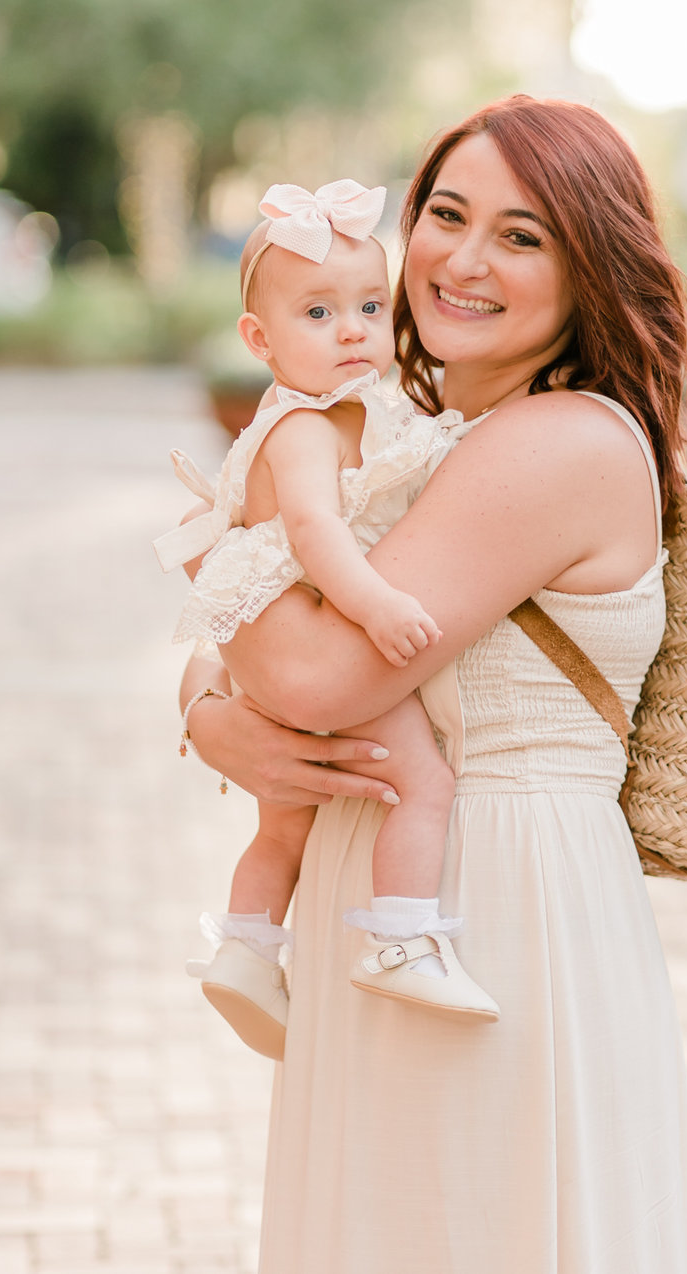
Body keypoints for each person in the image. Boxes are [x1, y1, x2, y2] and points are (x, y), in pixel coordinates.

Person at [180, 96, 687, 1274]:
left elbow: (312, 667)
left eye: (521, 237)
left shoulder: (554, 441)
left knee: (471, 1223)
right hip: (396, 892)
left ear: (592, 266)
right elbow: (268, 655)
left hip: (493, 899)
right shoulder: (430, 431)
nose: (462, 260)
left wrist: (218, 589)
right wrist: (209, 710)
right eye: (447, 215)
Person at [157, 178, 497, 1057]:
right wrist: (377, 604)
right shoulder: (305, 426)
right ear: (259, 341)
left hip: (269, 630)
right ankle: (401, 937)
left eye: (369, 307)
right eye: (318, 312)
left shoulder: (346, 411)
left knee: (284, 820)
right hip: (310, 615)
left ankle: (245, 946)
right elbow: (312, 532)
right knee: (419, 781)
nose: (351, 330)